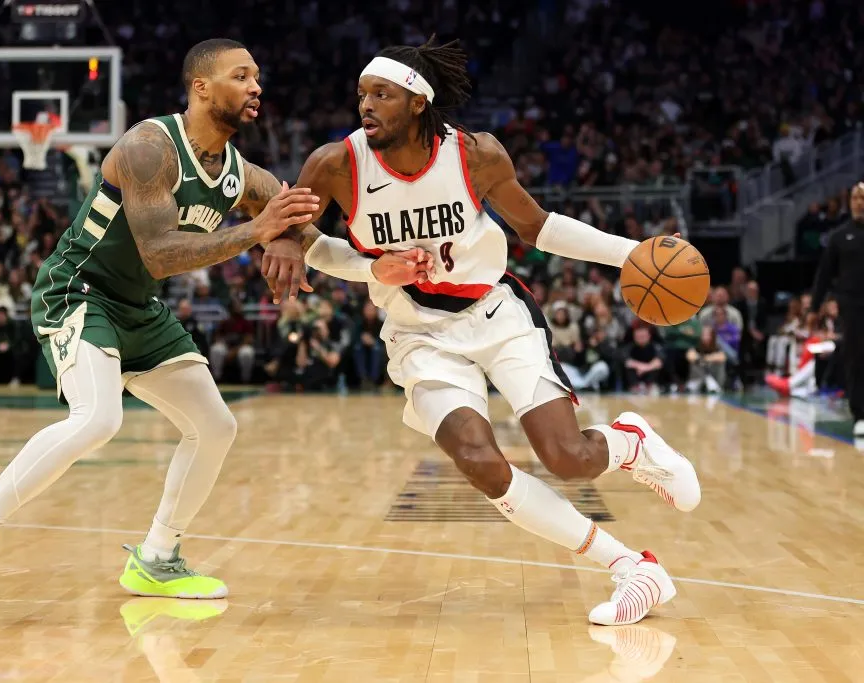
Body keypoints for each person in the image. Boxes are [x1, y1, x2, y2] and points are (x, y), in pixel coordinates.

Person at [0, 38, 433, 600]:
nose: (256, 86)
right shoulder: (149, 146)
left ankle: (158, 557)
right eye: (242, 76)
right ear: (201, 87)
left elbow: (309, 240)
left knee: (216, 425)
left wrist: (375, 268)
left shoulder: (243, 174)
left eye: (258, 77)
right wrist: (256, 232)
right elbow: (161, 254)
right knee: (97, 419)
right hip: (79, 292)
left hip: (138, 306)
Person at [262, 38, 700, 626]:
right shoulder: (335, 164)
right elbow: (301, 235)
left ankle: (629, 444)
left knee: (567, 458)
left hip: (494, 313)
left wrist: (631, 254)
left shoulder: (475, 154)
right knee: (478, 460)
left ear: (418, 101)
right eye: (361, 95)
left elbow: (537, 226)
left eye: (381, 95)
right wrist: (337, 258)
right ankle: (631, 568)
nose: (365, 106)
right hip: (418, 332)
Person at [809, 182, 864, 440]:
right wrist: (814, 306)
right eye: (856, 197)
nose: (859, 202)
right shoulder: (840, 236)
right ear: (850, 202)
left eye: (863, 198)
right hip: (852, 307)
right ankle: (860, 415)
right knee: (855, 360)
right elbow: (824, 274)